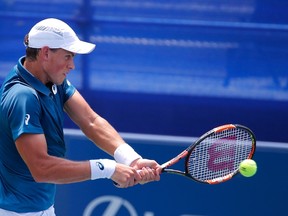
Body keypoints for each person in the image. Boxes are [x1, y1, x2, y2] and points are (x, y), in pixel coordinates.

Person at [0, 18, 161, 215]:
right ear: (45, 52)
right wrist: (107, 168)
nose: (72, 65)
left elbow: (91, 121)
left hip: (41, 208)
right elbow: (41, 168)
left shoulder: (52, 80)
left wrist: (131, 159)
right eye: (67, 56)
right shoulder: (22, 96)